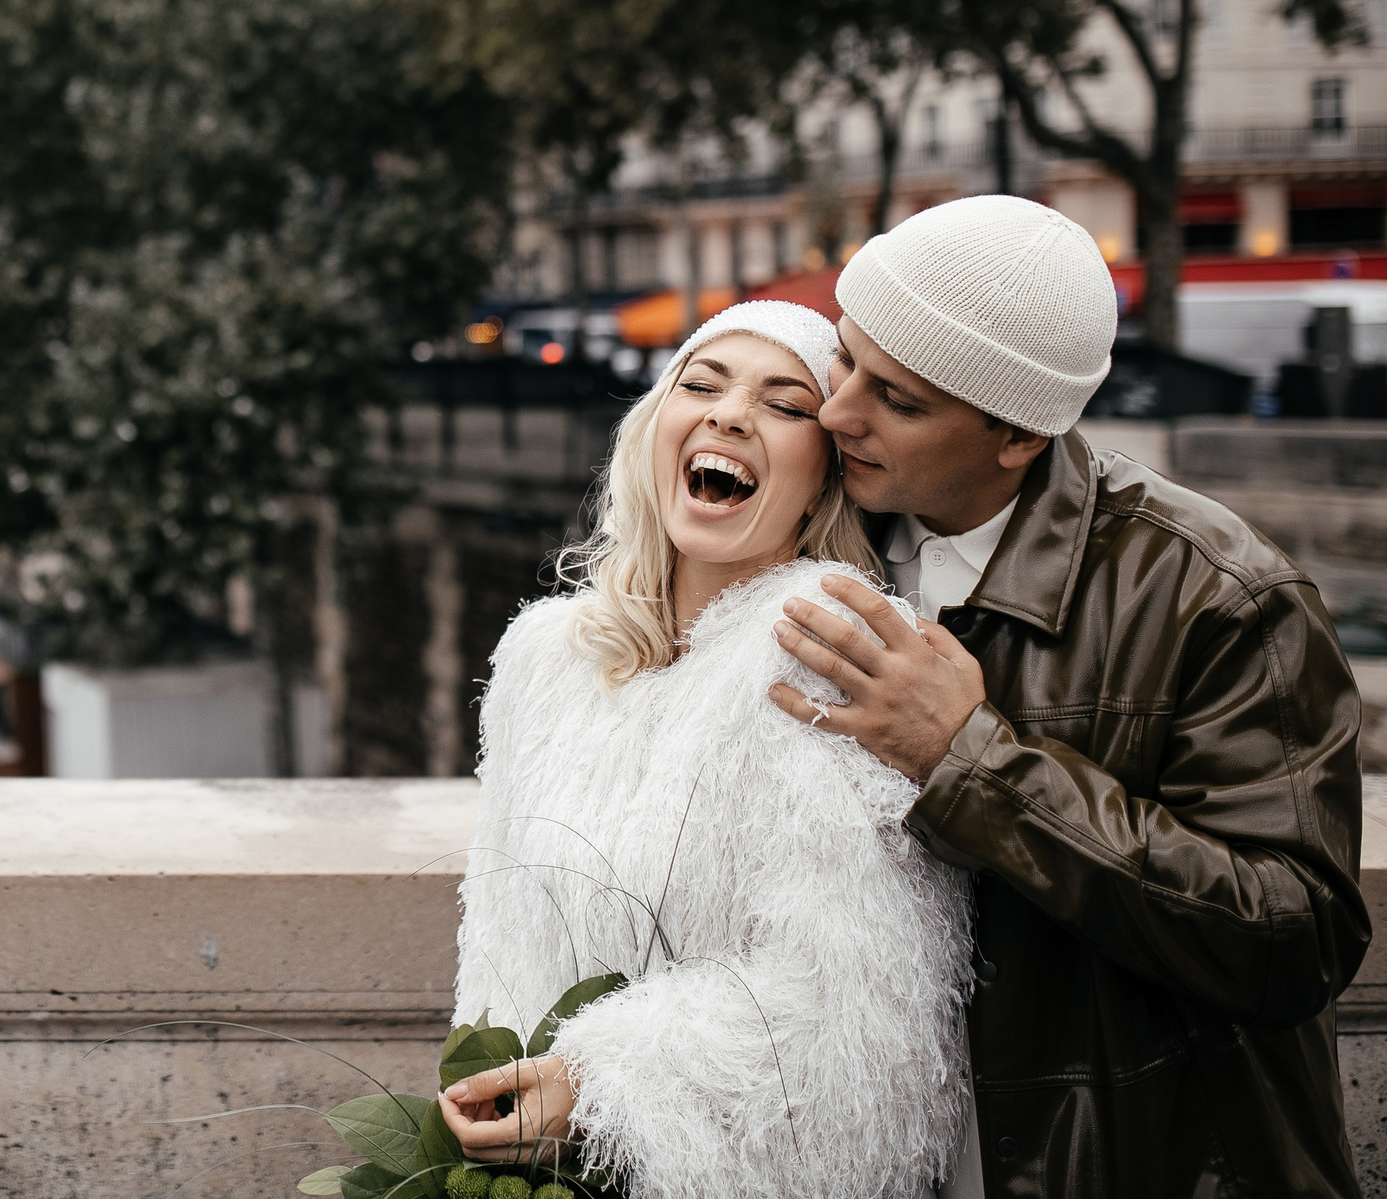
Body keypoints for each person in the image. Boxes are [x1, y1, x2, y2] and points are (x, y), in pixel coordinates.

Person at [766, 194, 1368, 1196]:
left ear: (1017, 434)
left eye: (897, 400)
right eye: (845, 358)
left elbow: (1292, 937)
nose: (838, 412)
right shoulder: (817, 531)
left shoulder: (1219, 594)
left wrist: (971, 761)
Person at [445, 301, 979, 1199]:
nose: (730, 414)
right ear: (654, 430)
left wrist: (600, 1083)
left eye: (784, 403)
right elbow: (499, 941)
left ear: (824, 478)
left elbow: (857, 1009)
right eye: (701, 384)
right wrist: (491, 1089)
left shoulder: (827, 649)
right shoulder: (546, 659)